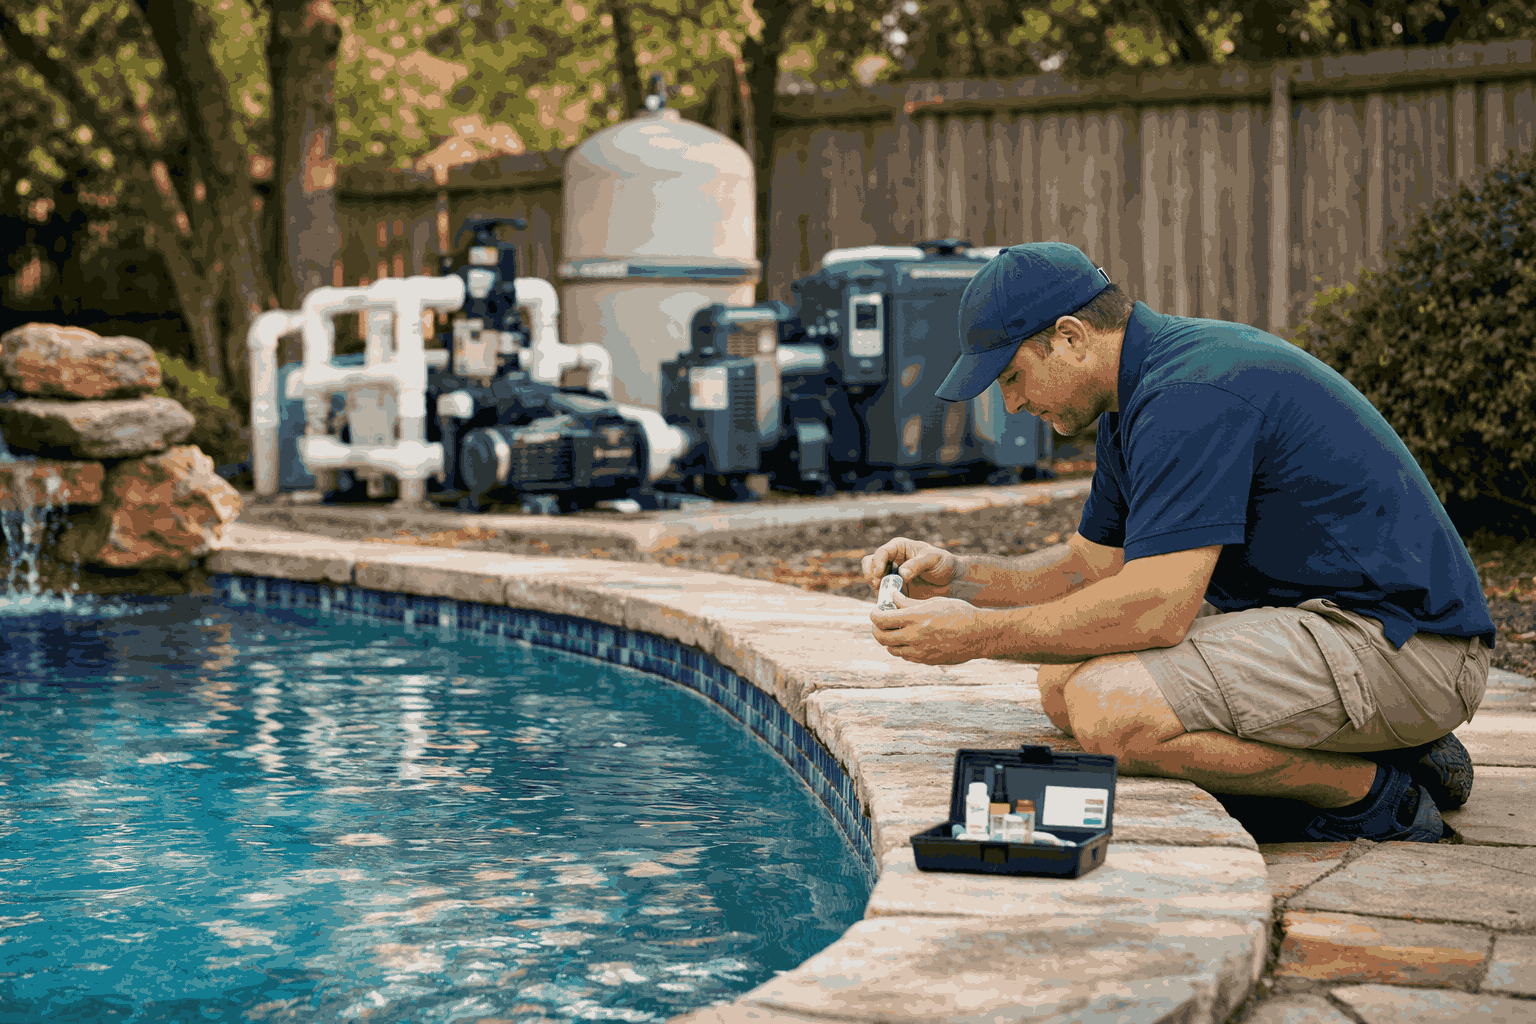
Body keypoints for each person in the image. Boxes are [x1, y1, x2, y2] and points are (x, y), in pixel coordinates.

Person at [863, 242, 1494, 843]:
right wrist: (962, 576)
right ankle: (1390, 740)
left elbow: (1158, 610)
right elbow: (1093, 567)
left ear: (1069, 337)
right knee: (1060, 683)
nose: (1012, 402)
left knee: (1113, 710)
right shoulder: (1133, 394)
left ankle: (1371, 793)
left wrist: (976, 636)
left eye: (1011, 376)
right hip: (1334, 629)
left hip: (1413, 650)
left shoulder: (1190, 392)